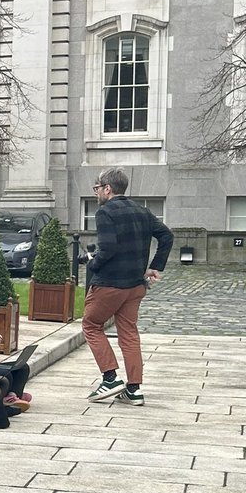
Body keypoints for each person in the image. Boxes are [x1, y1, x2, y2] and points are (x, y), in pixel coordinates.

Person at [82, 167, 173, 406]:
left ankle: (110, 378)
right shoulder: (142, 210)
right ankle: (133, 389)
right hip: (135, 285)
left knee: (91, 325)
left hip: (109, 284)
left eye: (97, 188)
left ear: (108, 189)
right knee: (129, 334)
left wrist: (93, 263)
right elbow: (167, 236)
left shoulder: (104, 212)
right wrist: (155, 266)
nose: (96, 192)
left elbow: (108, 249)